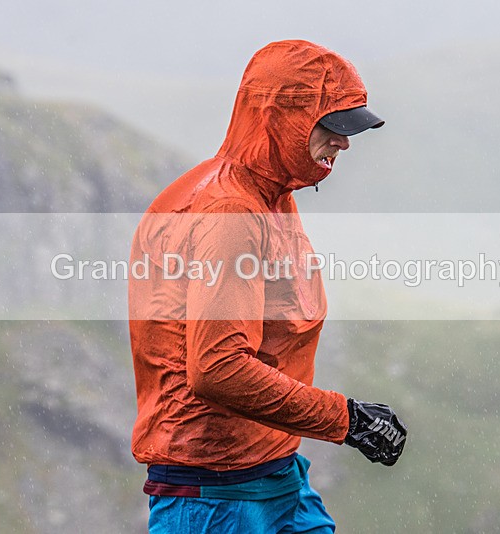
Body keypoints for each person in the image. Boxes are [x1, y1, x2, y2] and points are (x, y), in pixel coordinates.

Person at [128, 39, 407, 533]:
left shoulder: (269, 194)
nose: (344, 143)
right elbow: (218, 368)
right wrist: (347, 420)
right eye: (333, 127)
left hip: (275, 475)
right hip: (215, 496)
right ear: (282, 118)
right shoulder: (229, 213)